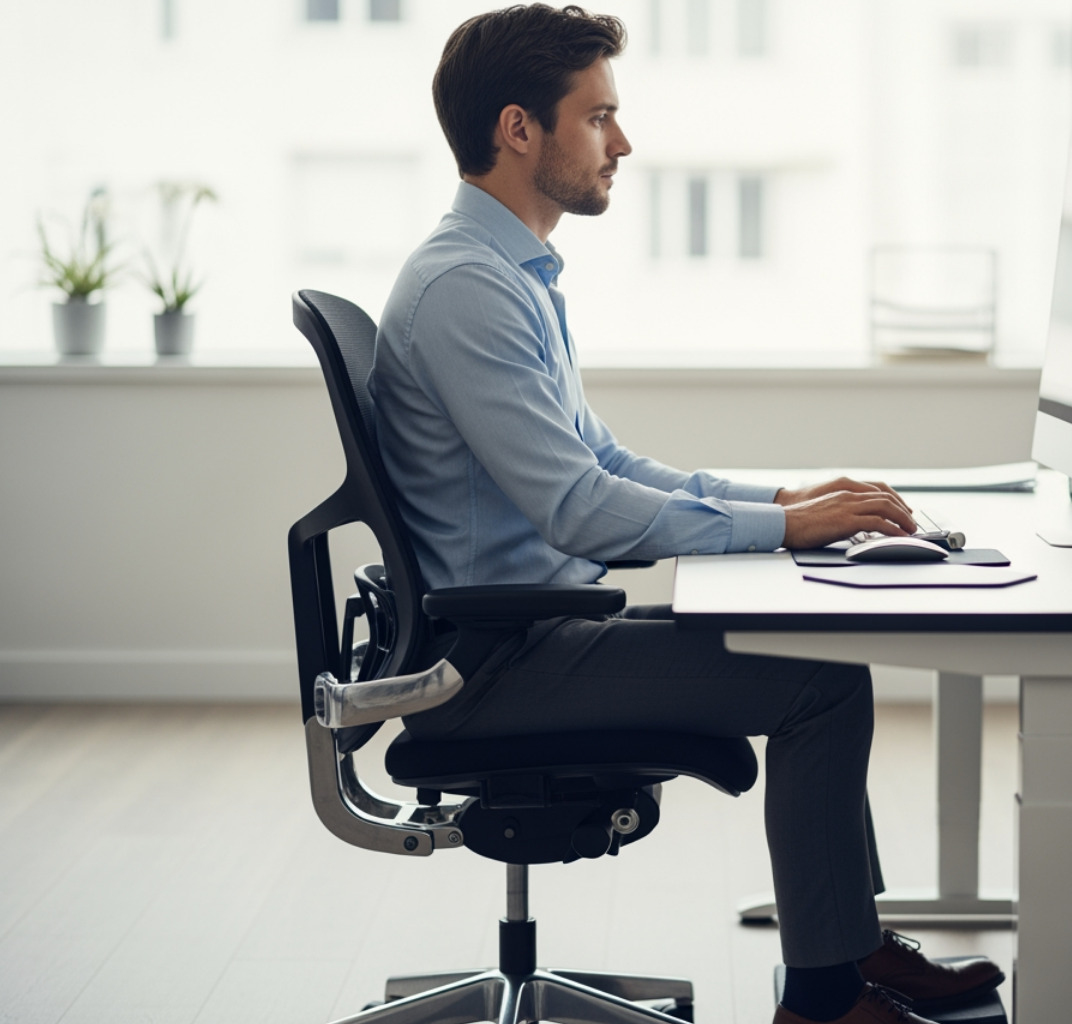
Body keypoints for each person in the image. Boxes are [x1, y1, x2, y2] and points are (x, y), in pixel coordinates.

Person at [369, 7, 1004, 1024]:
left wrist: (783, 502)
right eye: (598, 117)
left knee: (816, 650)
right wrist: (785, 531)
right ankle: (828, 996)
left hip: (529, 634)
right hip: (494, 667)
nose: (622, 142)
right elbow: (580, 510)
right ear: (518, 129)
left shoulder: (505, 275)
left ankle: (853, 953)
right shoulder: (466, 291)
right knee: (822, 681)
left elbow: (606, 463)